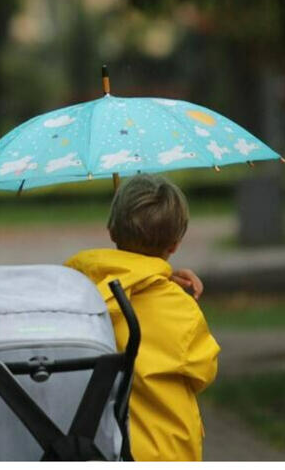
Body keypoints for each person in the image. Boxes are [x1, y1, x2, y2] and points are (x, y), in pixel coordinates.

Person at [65, 174, 220, 462]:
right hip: (164, 451)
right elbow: (203, 371)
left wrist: (155, 277)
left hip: (94, 448)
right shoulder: (177, 308)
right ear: (175, 244)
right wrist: (169, 288)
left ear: (112, 230)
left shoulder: (78, 292)